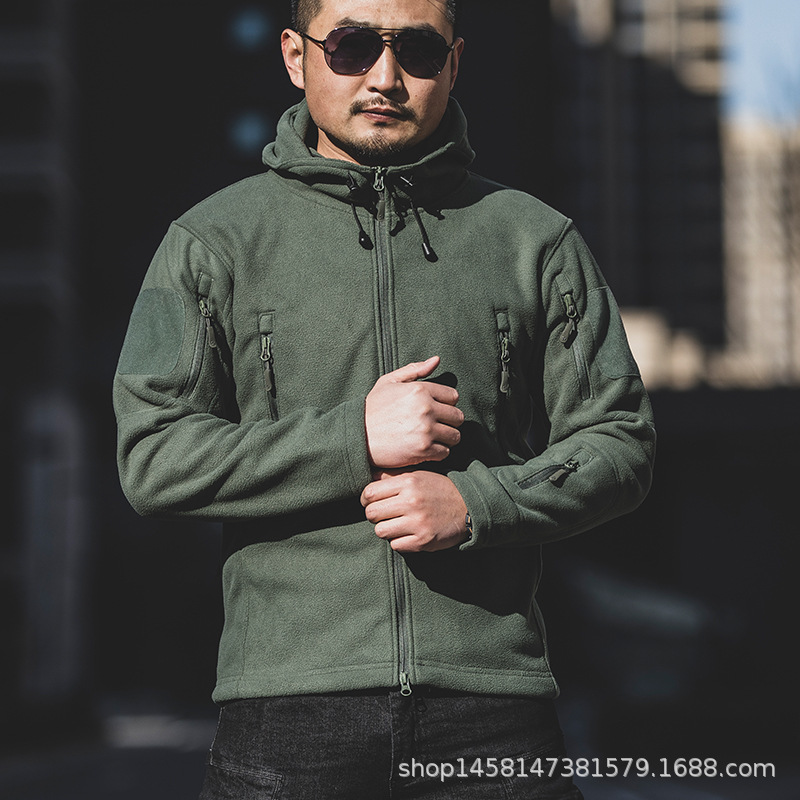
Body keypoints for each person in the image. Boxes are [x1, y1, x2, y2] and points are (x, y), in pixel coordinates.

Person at [113, 0, 656, 797]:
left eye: (419, 51)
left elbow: (619, 443)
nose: (386, 77)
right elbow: (153, 457)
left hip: (492, 710)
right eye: (353, 46)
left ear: (456, 63)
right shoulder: (210, 243)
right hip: (287, 714)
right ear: (296, 56)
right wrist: (354, 438)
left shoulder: (535, 240)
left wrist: (479, 504)